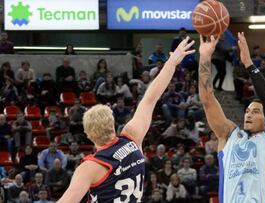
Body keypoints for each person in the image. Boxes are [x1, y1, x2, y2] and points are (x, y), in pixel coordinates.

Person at [57, 37, 195, 202]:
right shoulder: (132, 139)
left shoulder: (90, 168)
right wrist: (171, 62)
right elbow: (150, 97)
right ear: (113, 125)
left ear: (88, 134)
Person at [198, 33, 265, 202]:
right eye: (247, 111)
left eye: (256, 111)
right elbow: (207, 100)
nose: (248, 114)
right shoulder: (228, 135)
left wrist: (249, 65)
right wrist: (205, 57)